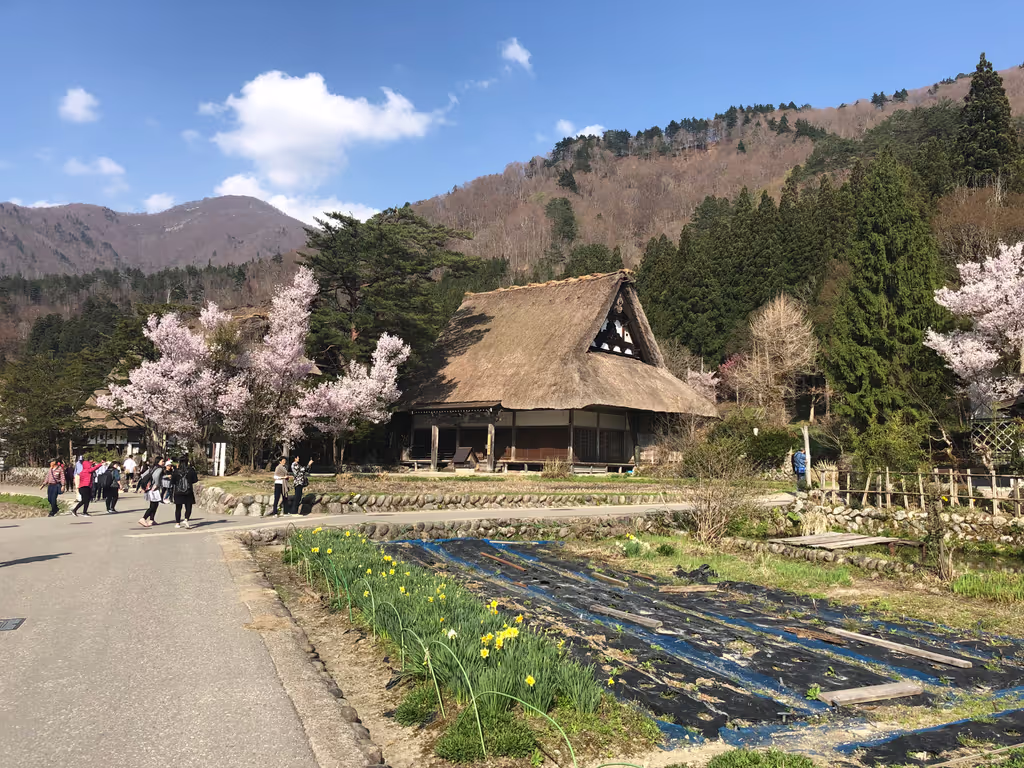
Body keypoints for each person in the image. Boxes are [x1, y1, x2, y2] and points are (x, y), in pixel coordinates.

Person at [170, 456, 199, 529]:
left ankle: (177, 523)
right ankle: (186, 519)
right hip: (188, 491)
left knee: (178, 508)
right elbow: (195, 480)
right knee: (188, 506)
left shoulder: (176, 471)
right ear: (187, 462)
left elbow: (172, 481)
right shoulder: (191, 470)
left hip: (178, 491)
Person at [139, 460, 164, 528]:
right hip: (154, 489)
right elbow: (156, 476)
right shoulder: (159, 469)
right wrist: (156, 484)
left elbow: (143, 475)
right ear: (158, 462)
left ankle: (151, 520)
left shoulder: (151, 468)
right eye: (162, 461)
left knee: (154, 504)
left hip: (149, 488)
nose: (163, 462)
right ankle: (143, 518)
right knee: (153, 505)